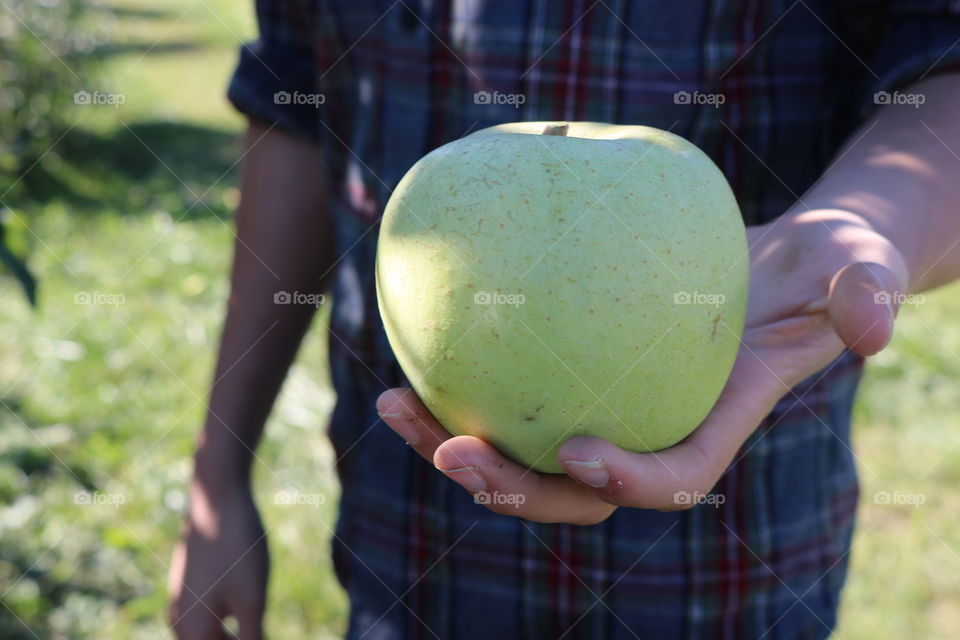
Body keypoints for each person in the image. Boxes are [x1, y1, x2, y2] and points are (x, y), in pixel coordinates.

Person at [167, 2, 960, 638]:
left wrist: (862, 222)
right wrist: (220, 471)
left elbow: (944, 51)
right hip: (410, 544)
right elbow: (297, 101)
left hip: (729, 552)